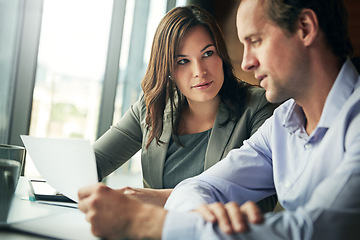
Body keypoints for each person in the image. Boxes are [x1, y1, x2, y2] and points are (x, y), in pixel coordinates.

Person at [78, 0, 360, 239]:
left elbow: (313, 230)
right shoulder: (284, 123)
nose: (247, 62)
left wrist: (149, 223)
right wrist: (201, 215)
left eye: (256, 41)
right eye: (182, 61)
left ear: (305, 28)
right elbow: (198, 186)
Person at [94, 5, 277, 208]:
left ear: (221, 55)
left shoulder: (258, 105)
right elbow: (93, 164)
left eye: (208, 54)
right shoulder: (151, 108)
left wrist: (165, 199)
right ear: (168, 69)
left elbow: (264, 198)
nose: (199, 71)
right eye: (183, 61)